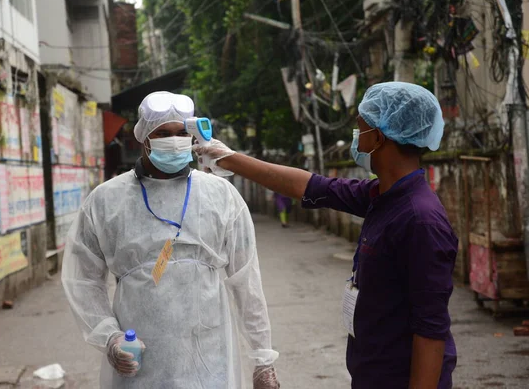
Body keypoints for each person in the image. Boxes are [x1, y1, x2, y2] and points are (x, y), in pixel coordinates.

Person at [194, 82, 458, 389]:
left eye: (361, 128)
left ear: (379, 137)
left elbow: (430, 331)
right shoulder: (382, 195)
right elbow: (310, 187)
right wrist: (227, 157)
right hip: (372, 373)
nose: (356, 138)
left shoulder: (420, 220)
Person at [62, 91, 280, 389]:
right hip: (139, 355)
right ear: (144, 137)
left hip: (208, 354)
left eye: (181, 133)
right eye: (163, 133)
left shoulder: (221, 195)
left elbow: (246, 279)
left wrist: (263, 358)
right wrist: (109, 336)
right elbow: (83, 279)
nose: (174, 140)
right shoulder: (106, 199)